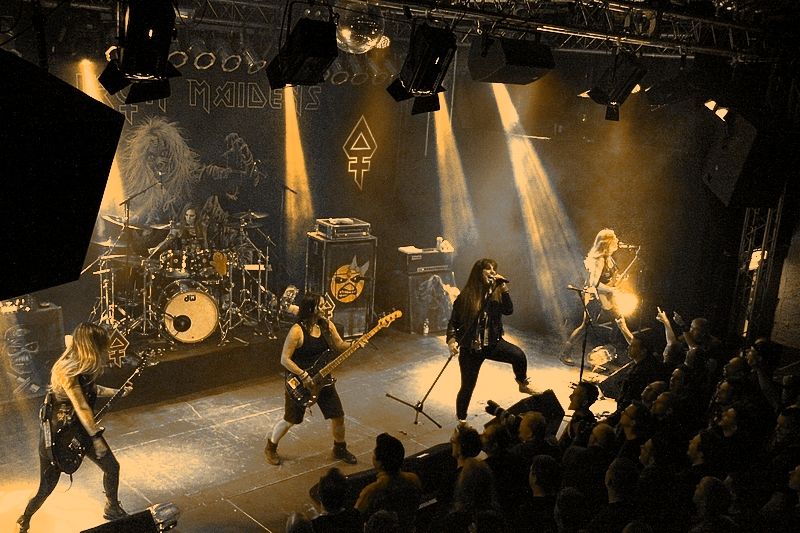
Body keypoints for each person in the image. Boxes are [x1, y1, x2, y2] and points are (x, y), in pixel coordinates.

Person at [17, 322, 132, 532]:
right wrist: (96, 439)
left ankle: (112, 507)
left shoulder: (84, 364)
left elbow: (92, 389)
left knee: (112, 467)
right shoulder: (66, 369)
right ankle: (25, 517)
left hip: (81, 428)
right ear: (92, 346)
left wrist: (117, 392)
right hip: (60, 435)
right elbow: (81, 406)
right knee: (46, 486)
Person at [264, 292, 358, 466]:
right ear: (311, 309)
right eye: (320, 305)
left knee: (338, 415)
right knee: (290, 420)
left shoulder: (326, 325)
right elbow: (285, 359)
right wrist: (303, 374)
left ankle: (340, 448)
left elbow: (339, 344)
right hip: (300, 382)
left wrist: (355, 344)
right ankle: (270, 447)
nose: (324, 307)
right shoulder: (297, 331)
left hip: (323, 379)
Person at [446, 258, 535, 425]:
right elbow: (453, 322)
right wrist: (452, 340)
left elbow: (508, 310)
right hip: (471, 349)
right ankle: (461, 419)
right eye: (489, 269)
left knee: (518, 355)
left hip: (492, 344)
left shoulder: (496, 294)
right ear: (479, 272)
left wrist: (504, 289)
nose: (493, 272)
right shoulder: (466, 296)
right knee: (467, 386)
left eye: (495, 269)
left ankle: (522, 383)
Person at [561, 229, 635, 366]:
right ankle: (565, 353)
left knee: (619, 322)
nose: (617, 241)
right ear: (607, 243)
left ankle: (615, 352)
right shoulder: (599, 260)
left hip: (607, 297)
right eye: (614, 239)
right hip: (594, 297)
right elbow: (594, 283)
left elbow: (607, 278)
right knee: (586, 325)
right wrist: (611, 289)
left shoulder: (609, 258)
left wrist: (618, 279)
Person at [354, 433, 422, 531]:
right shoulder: (413, 479)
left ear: (380, 463)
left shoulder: (371, 492)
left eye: (374, 453)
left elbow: (355, 519)